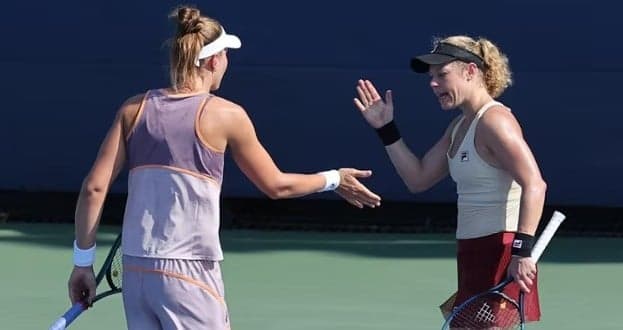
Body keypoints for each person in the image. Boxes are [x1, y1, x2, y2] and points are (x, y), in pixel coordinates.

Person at [66, 5, 381, 330]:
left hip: (137, 272)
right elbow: (276, 185)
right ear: (214, 60)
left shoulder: (133, 109)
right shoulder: (227, 115)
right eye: (227, 55)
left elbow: (94, 188)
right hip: (188, 274)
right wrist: (334, 178)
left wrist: (82, 263)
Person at [352, 36, 547, 324]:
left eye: (442, 75)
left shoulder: (495, 122)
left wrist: (521, 251)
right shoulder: (459, 126)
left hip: (501, 252)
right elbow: (418, 179)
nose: (433, 84)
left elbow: (535, 184)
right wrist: (386, 129)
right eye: (431, 77)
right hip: (473, 253)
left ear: (470, 71)